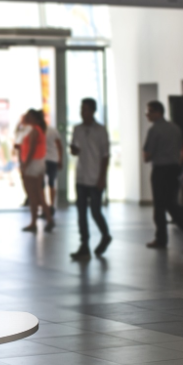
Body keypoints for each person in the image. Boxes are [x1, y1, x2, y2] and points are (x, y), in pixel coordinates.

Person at [143, 101, 183, 249]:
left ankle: (161, 239)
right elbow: (180, 149)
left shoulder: (154, 130)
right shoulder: (176, 128)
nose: (147, 115)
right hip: (174, 169)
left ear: (158, 112)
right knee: (170, 202)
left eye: (149, 112)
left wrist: (148, 155)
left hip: (160, 170)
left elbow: (147, 155)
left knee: (159, 205)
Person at [70, 98, 112, 258]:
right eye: (81, 109)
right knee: (81, 213)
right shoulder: (77, 129)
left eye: (86, 109)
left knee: (95, 211)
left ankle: (105, 235)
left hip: (95, 177)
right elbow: (75, 150)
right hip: (80, 177)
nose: (83, 112)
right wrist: (73, 149)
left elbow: (105, 155)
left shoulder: (101, 130)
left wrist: (102, 178)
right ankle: (84, 245)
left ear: (93, 111)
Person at [21, 109, 54, 233]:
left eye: (29, 116)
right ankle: (43, 220)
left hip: (33, 164)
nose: (26, 118)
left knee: (34, 195)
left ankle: (38, 221)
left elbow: (31, 150)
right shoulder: (37, 130)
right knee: (38, 195)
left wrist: (25, 165)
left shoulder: (35, 131)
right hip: (37, 163)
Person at [44, 123, 64, 215]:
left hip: (51, 159)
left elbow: (59, 146)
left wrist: (60, 159)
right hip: (46, 160)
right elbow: (60, 146)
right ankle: (46, 206)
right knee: (45, 185)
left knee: (50, 183)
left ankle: (50, 206)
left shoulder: (51, 130)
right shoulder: (40, 130)